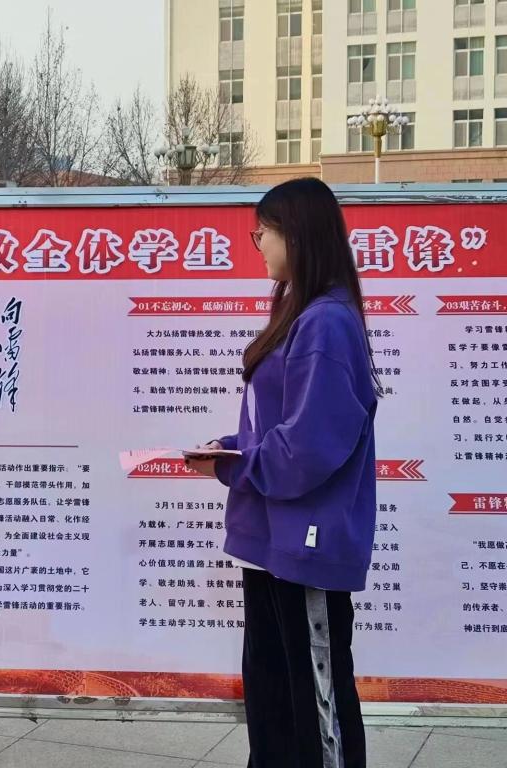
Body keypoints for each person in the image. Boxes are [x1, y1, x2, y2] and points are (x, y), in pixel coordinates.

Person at [187, 177, 379, 768]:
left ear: (296, 234)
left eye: (263, 233)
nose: (258, 245)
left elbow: (310, 447)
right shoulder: (301, 312)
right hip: (273, 541)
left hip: (305, 545)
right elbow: (284, 425)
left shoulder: (326, 322)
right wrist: (230, 449)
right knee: (273, 706)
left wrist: (238, 465)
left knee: (314, 710)